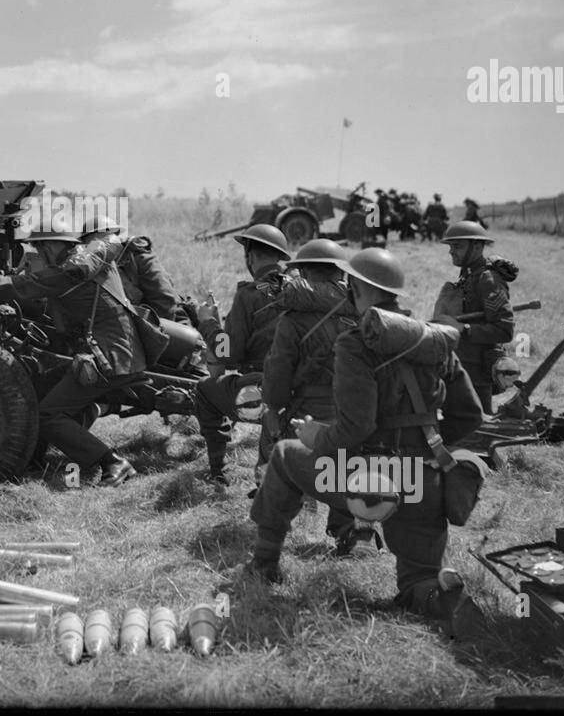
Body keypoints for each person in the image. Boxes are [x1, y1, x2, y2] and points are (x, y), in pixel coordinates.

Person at [247, 248, 488, 637]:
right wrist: (429, 448)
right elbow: (472, 416)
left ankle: (263, 564)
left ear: (357, 287)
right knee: (416, 581)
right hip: (425, 483)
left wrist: (313, 436)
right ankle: (444, 599)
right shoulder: (435, 341)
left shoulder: (356, 343)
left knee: (285, 456)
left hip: (371, 483)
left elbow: (354, 429)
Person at [0, 216, 138, 486]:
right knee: (41, 390)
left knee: (48, 414)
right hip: (116, 347)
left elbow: (17, 287)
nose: (38, 254)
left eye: (40, 248)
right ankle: (33, 459)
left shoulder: (68, 272)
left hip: (109, 354)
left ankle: (112, 462)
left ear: (52, 245)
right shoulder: (86, 264)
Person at [256, 238, 358, 551]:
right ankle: (349, 534)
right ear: (340, 275)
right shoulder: (360, 312)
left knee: (277, 456)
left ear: (303, 273)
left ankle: (271, 534)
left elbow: (278, 369)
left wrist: (273, 408)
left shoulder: (292, 319)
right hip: (351, 408)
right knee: (344, 465)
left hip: (305, 410)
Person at [193, 224, 292, 485]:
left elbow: (228, 354)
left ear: (250, 255)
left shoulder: (250, 295)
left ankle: (218, 471)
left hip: (264, 389)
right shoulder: (301, 289)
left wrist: (208, 323)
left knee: (204, 390)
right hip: (301, 389)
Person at [434, 221, 517, 413]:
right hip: (458, 364)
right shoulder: (468, 276)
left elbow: (505, 330)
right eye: (450, 246)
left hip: (477, 370)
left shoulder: (488, 280)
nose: (451, 251)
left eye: (458, 246)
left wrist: (464, 329)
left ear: (477, 246)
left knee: (476, 429)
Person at [79, 215, 186, 321]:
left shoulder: (137, 257)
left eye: (101, 237)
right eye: (90, 241)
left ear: (114, 236)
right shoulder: (91, 267)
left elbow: (164, 300)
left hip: (164, 321)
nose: (96, 245)